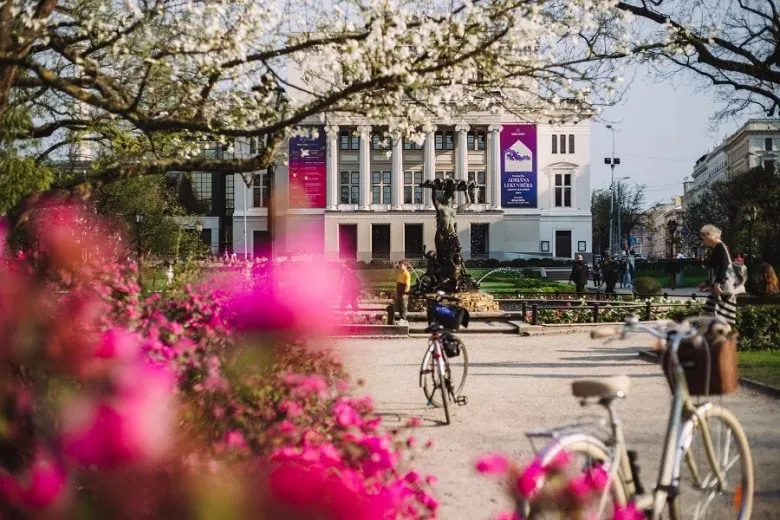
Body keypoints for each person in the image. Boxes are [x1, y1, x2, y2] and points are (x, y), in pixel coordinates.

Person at [698, 225, 738, 325]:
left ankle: (721, 338)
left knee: (719, 318)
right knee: (714, 316)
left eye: (706, 239)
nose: (705, 242)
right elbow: (718, 269)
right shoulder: (718, 248)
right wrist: (708, 282)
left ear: (712, 236)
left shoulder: (721, 248)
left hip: (723, 287)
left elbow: (724, 267)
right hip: (722, 286)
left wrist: (717, 283)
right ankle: (716, 337)